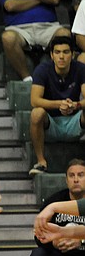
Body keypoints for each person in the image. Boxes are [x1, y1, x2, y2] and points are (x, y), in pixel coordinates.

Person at [0, 0, 71, 81]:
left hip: (48, 27)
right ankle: (27, 78)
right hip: (19, 29)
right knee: (7, 37)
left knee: (64, 34)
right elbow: (10, 5)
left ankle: (59, 78)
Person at [27, 35, 85, 176]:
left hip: (74, 122)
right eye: (57, 52)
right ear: (51, 55)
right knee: (36, 113)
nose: (61, 57)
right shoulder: (42, 70)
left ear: (72, 54)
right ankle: (41, 163)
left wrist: (75, 105)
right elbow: (34, 100)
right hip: (51, 124)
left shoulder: (81, 69)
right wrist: (60, 104)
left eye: (65, 52)